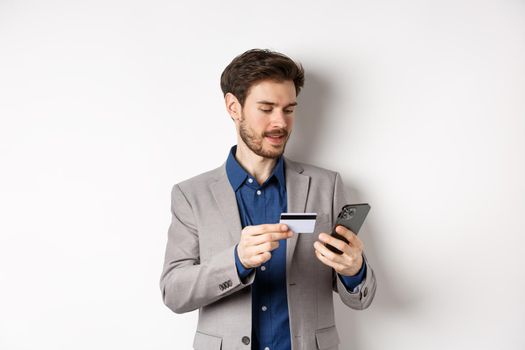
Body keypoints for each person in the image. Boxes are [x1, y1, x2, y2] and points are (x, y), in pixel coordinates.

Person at [159, 48, 377, 350]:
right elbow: (174, 293)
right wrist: (236, 261)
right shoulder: (191, 195)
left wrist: (354, 270)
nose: (281, 123)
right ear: (233, 107)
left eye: (289, 109)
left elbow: (362, 298)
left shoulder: (327, 185)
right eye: (266, 108)